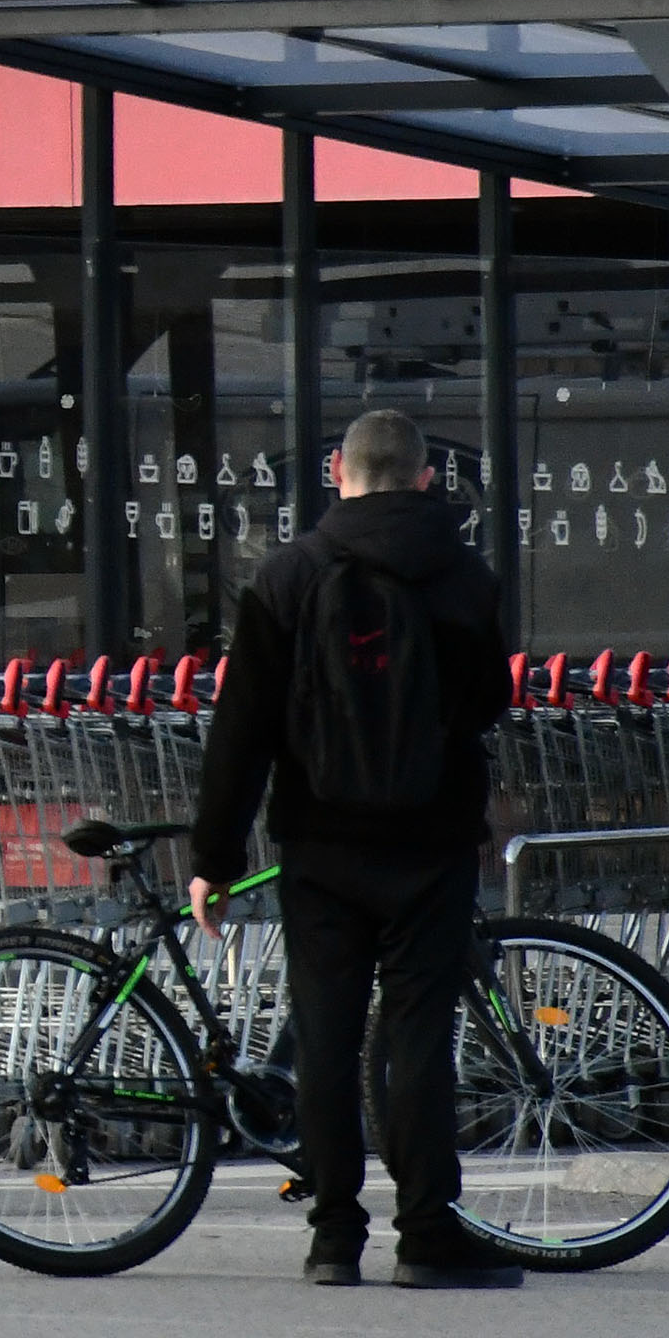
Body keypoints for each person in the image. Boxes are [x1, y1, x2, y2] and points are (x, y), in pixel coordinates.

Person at [189, 406, 518, 1289]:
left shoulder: (288, 576)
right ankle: (427, 1231)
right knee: (417, 1037)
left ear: (338, 470)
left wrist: (213, 859)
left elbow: (242, 728)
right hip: (431, 840)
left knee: (327, 1039)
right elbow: (488, 698)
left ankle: (334, 1233)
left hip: (321, 844)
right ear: (422, 477)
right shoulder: (465, 576)